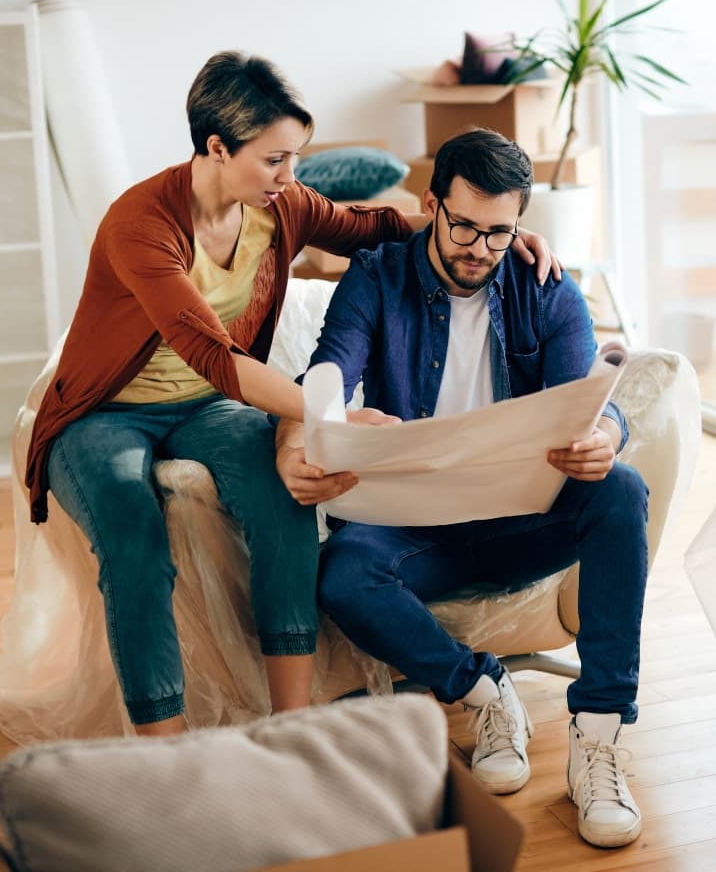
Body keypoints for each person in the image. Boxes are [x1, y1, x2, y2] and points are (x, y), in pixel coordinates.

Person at [23, 52, 557, 737]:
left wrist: (497, 235)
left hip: (205, 408)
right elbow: (213, 357)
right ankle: (164, 752)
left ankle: (292, 729)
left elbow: (379, 228)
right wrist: (329, 415)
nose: (291, 176)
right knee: (133, 533)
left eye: (297, 157)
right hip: (104, 413)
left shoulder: (280, 209)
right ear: (217, 148)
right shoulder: (141, 224)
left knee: (285, 498)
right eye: (276, 159)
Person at [275, 129, 649, 849]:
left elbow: (587, 398)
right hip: (416, 528)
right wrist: (316, 425)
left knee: (621, 490)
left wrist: (604, 434)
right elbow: (329, 371)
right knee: (344, 574)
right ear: (430, 206)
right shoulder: (377, 276)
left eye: (500, 233)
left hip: (521, 520)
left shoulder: (545, 284)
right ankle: (482, 689)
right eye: (465, 226)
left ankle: (598, 739)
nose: (479, 248)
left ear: (521, 226)